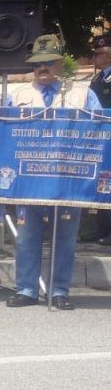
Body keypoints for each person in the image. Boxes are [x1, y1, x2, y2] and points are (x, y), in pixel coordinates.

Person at [5, 35, 102, 310]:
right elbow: (6, 135)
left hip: (67, 180)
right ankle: (26, 289)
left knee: (65, 238)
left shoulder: (82, 93)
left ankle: (59, 290)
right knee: (26, 238)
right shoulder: (18, 96)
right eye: (37, 64)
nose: (42, 68)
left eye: (48, 62)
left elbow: (98, 131)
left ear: (60, 63)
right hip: (29, 179)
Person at [87, 36, 111, 244]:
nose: (94, 57)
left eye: (99, 53)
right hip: (100, 137)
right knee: (102, 182)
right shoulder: (97, 79)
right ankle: (102, 228)